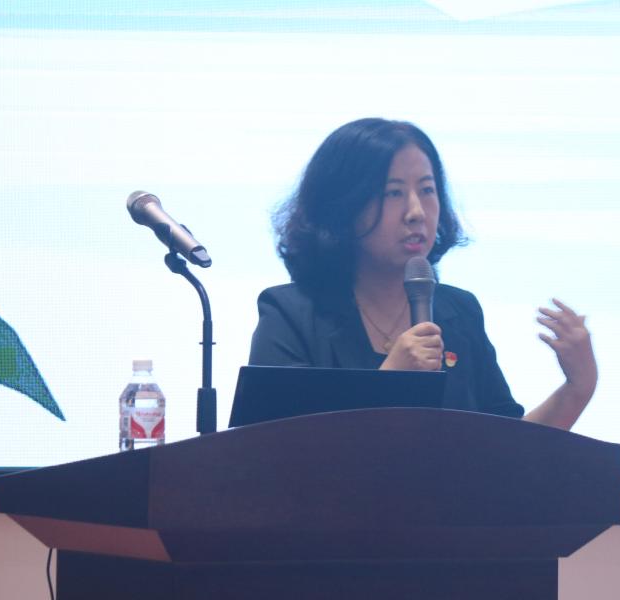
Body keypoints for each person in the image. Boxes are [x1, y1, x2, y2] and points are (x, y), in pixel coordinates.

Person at [249, 118, 597, 430]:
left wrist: (577, 388)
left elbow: (507, 446)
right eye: (394, 193)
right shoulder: (290, 314)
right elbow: (274, 447)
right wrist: (388, 382)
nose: (416, 211)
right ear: (343, 207)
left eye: (427, 190)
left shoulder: (459, 312)